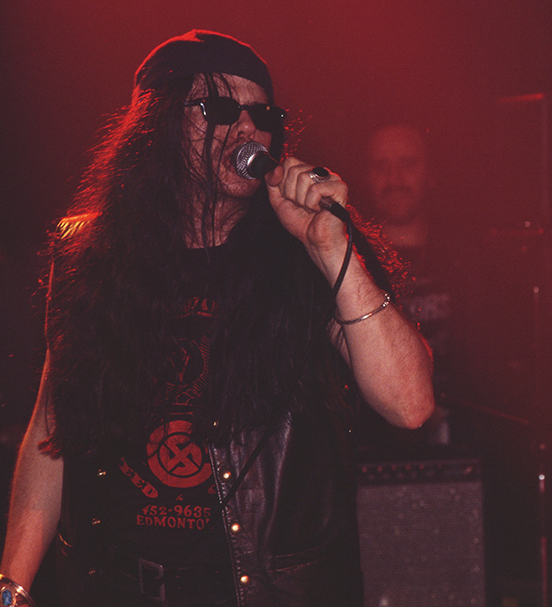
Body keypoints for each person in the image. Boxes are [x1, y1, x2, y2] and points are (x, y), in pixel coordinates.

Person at [0, 30, 434, 607]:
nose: (248, 130)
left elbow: (410, 404)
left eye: (262, 116)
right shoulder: (90, 256)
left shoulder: (305, 253)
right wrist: (13, 586)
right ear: (158, 125)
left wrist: (331, 248)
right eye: (221, 108)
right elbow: (53, 428)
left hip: (271, 589)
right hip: (117, 585)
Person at [358, 124, 455, 448]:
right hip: (373, 441)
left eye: (407, 164)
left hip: (460, 440)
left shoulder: (468, 260)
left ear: (430, 172)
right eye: (381, 167)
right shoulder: (351, 262)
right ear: (366, 176)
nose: (395, 178)